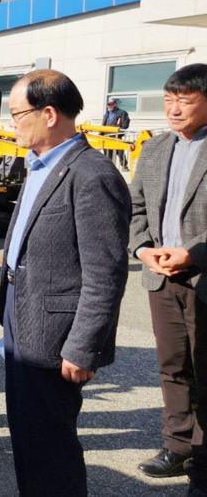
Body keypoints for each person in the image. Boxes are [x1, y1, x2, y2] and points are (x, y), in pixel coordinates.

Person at [0, 70, 130, 495]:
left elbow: (105, 272)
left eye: (18, 114)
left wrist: (82, 346)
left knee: (52, 447)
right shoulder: (39, 165)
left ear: (49, 113)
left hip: (57, 337)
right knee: (27, 436)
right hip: (22, 314)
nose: (11, 123)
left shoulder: (92, 174)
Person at [129, 63, 207, 492]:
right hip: (161, 277)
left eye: (186, 100)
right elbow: (135, 209)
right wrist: (143, 250)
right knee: (173, 366)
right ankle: (177, 446)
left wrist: (193, 253)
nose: (174, 109)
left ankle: (204, 458)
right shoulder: (156, 148)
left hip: (201, 276)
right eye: (169, 99)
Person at [102, 98, 130, 170]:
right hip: (106, 136)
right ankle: (109, 167)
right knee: (108, 153)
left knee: (120, 151)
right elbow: (103, 125)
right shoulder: (107, 114)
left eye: (110, 104)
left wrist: (117, 128)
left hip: (116, 136)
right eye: (108, 105)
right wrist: (101, 134)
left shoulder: (122, 113)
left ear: (115, 104)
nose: (109, 106)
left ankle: (124, 166)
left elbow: (125, 125)